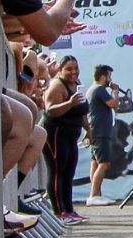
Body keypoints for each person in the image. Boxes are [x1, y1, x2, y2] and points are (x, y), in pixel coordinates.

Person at [41, 55, 90, 225]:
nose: (73, 72)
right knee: (57, 172)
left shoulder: (77, 84)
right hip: (55, 134)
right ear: (61, 70)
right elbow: (50, 110)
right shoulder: (56, 85)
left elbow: (83, 112)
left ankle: (69, 210)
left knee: (69, 173)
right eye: (69, 69)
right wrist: (69, 103)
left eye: (75, 68)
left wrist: (89, 132)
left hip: (72, 135)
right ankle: (59, 212)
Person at [85, 64, 119, 206]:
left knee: (95, 163)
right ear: (103, 76)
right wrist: (115, 91)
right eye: (109, 76)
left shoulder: (93, 89)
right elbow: (114, 104)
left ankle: (96, 194)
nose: (110, 79)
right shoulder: (99, 89)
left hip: (96, 131)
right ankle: (94, 195)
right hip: (100, 132)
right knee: (104, 164)